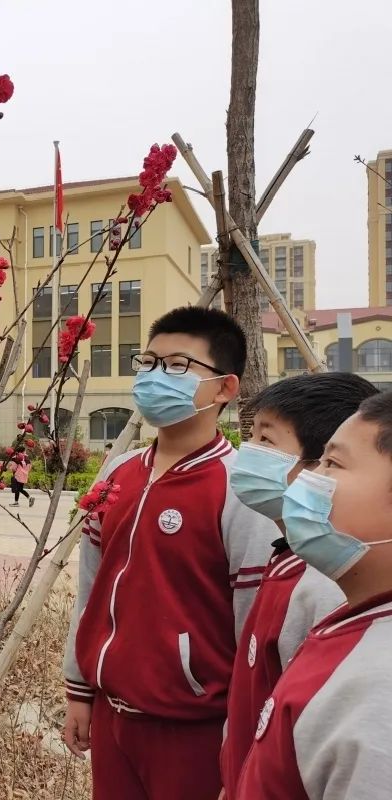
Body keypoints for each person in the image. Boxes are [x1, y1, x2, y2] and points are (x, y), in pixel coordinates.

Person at [61, 306, 280, 800]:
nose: (157, 377)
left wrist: (243, 735)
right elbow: (90, 591)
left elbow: (253, 625)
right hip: (113, 718)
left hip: (197, 729)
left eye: (178, 366)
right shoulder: (115, 475)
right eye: (149, 363)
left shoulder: (240, 487)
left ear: (225, 388)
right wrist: (80, 689)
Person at [219, 373, 377, 800]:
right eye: (249, 437)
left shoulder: (325, 586)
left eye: (266, 442)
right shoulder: (286, 560)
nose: (246, 454)